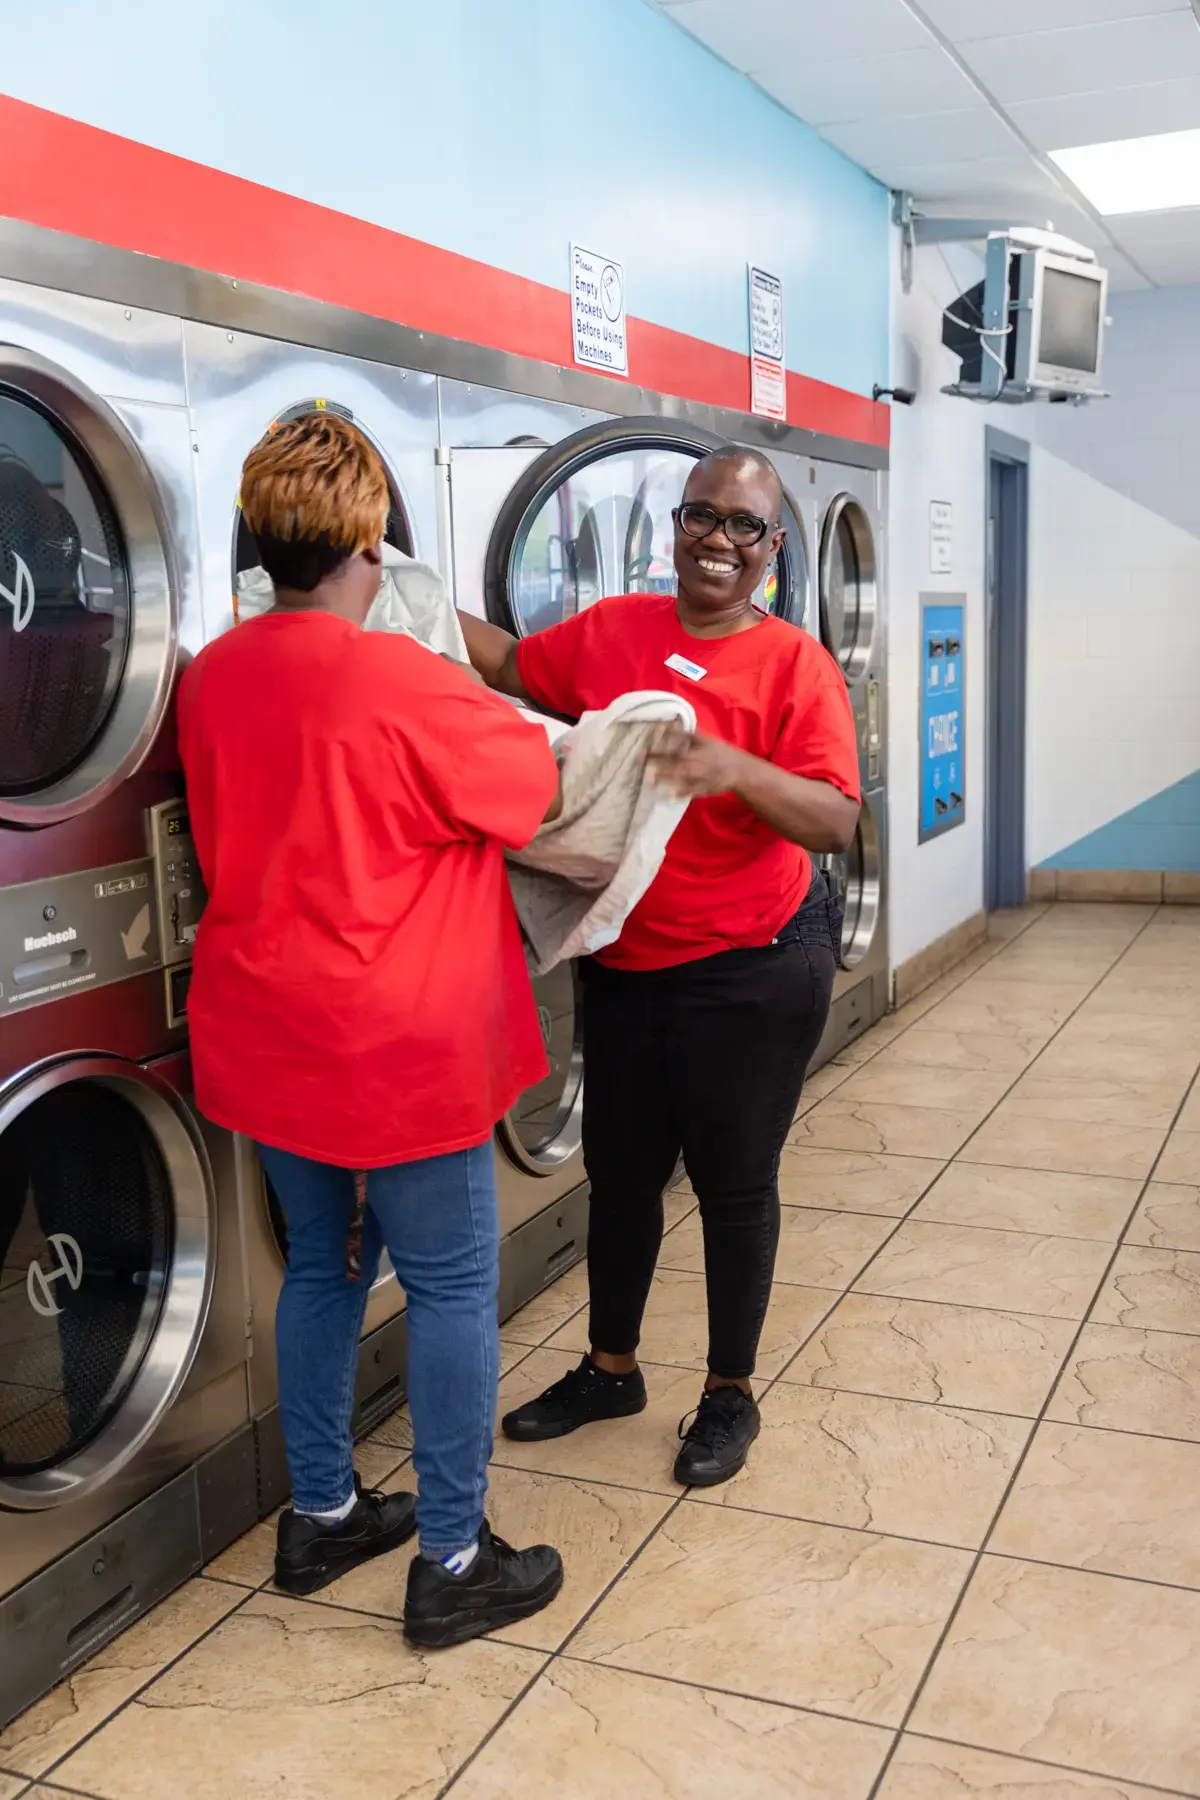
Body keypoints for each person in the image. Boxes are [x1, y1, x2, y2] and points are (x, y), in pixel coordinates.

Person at [177, 412, 564, 1648]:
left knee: (324, 1270)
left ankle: (323, 1512)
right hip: (399, 1045)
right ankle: (452, 1558)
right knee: (451, 1284)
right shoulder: (409, 680)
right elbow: (536, 791)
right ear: (369, 539)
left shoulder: (212, 674)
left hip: (269, 1031)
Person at [459, 446, 860, 1486]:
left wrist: (736, 767)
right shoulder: (616, 633)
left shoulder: (793, 667)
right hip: (631, 962)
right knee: (621, 1175)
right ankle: (611, 1367)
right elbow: (510, 668)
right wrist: (391, 588)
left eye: (744, 527)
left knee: (733, 1185)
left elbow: (837, 816)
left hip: (755, 966)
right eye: (702, 517)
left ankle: (730, 1394)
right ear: (674, 526)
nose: (719, 540)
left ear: (773, 550)